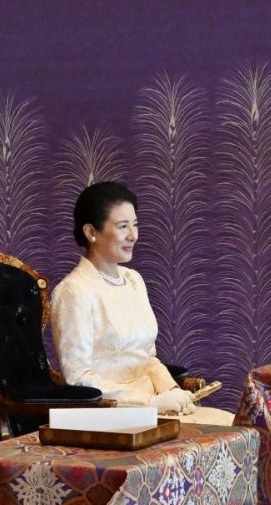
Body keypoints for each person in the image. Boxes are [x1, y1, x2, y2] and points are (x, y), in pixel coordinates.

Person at [50, 181, 233, 424]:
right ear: (91, 232)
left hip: (153, 408)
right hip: (106, 416)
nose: (133, 235)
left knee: (236, 426)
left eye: (135, 225)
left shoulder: (133, 280)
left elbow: (146, 358)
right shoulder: (74, 290)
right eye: (122, 226)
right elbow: (78, 377)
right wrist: (148, 403)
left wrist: (171, 391)